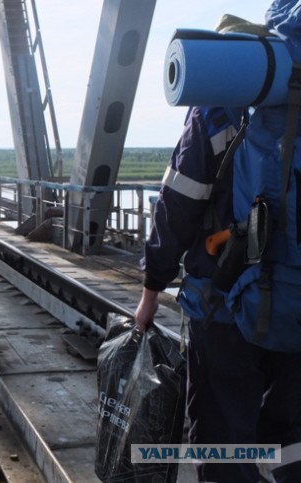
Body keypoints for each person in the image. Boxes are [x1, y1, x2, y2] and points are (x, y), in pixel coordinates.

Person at [134, 8, 301, 483]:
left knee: (225, 443)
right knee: (289, 442)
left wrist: (151, 289)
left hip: (224, 305)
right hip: (297, 305)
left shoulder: (223, 101)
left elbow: (179, 203)